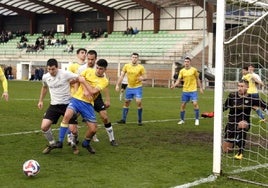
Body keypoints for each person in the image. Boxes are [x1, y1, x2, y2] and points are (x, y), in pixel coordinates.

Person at [61, 59, 109, 154]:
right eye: (97, 67)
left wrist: (85, 84)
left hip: (88, 104)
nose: (98, 70)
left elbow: (93, 91)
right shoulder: (88, 70)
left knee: (93, 129)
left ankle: (86, 143)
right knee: (67, 115)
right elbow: (80, 79)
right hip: (77, 99)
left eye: (101, 69)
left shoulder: (104, 81)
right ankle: (60, 141)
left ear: (105, 70)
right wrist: (85, 88)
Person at [37, 58, 79, 154]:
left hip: (68, 105)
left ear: (57, 67)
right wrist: (40, 101)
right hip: (54, 105)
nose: (51, 71)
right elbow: (44, 87)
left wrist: (73, 84)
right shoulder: (45, 77)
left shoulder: (65, 73)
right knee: (44, 127)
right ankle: (52, 143)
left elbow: (79, 78)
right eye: (49, 69)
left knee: (73, 130)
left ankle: (73, 142)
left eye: (53, 69)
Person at [77, 50, 118, 146]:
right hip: (84, 96)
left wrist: (108, 99)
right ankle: (72, 138)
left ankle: (112, 139)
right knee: (74, 115)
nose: (90, 61)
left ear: (95, 59)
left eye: (92, 59)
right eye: (89, 59)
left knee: (105, 117)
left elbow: (105, 86)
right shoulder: (82, 69)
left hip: (96, 97)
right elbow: (78, 81)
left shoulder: (101, 70)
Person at [222, 79, 268, 160]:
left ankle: (240, 152)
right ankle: (235, 141)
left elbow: (265, 106)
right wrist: (212, 113)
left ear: (247, 87)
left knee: (242, 124)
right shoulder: (232, 96)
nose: (240, 88)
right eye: (238, 86)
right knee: (226, 150)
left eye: (242, 86)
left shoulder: (252, 98)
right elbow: (224, 107)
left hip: (245, 122)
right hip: (231, 124)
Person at [115, 52, 147, 125]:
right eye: (133, 57)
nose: (134, 59)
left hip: (137, 87)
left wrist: (142, 79)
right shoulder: (126, 66)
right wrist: (117, 85)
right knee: (126, 102)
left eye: (136, 57)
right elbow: (121, 76)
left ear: (138, 59)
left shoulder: (141, 67)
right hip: (129, 87)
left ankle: (139, 120)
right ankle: (123, 119)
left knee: (138, 102)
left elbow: (145, 77)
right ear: (131, 58)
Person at [170, 57, 203, 126]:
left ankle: (197, 119)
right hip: (185, 90)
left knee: (195, 103)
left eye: (187, 61)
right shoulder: (182, 71)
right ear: (184, 63)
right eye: (185, 61)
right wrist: (174, 85)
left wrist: (200, 88)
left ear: (190, 62)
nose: (186, 63)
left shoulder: (194, 70)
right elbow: (178, 80)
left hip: (193, 90)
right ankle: (182, 120)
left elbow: (198, 79)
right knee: (183, 105)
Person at [64, 48, 87, 145]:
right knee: (72, 115)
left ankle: (73, 135)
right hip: (74, 94)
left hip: (84, 95)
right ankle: (71, 136)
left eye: (85, 53)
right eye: (82, 53)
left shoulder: (87, 67)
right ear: (77, 55)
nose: (84, 54)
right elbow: (69, 80)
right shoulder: (73, 66)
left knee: (76, 116)